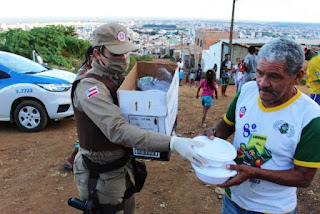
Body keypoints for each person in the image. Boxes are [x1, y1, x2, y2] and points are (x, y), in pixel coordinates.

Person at [71, 23, 208, 214]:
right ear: (97, 54)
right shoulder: (91, 89)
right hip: (102, 176)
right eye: (116, 54)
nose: (124, 58)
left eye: (126, 52)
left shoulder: (116, 78)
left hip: (123, 168)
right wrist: (172, 143)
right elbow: (118, 130)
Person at [201, 38, 320, 214]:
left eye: (274, 76)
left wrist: (254, 172)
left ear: (298, 76)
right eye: (259, 73)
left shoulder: (311, 117)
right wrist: (210, 135)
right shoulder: (247, 91)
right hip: (232, 200)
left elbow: (303, 178)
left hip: (273, 209)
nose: (263, 83)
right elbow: (226, 126)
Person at [63, 46, 95, 171]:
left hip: (87, 107)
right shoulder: (84, 72)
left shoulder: (89, 69)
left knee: (86, 135)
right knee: (86, 135)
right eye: (93, 56)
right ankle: (71, 158)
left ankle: (72, 158)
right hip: (85, 108)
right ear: (89, 57)